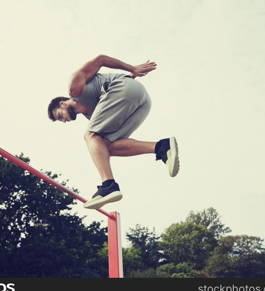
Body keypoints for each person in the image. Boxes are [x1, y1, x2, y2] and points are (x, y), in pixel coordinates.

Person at [47, 55, 179, 209]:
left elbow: (100, 59)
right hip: (141, 102)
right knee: (105, 146)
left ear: (62, 103)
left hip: (125, 88)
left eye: (59, 115)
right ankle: (161, 147)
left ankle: (108, 185)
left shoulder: (75, 88)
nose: (63, 121)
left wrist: (133, 69)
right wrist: (131, 77)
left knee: (90, 136)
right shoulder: (92, 116)